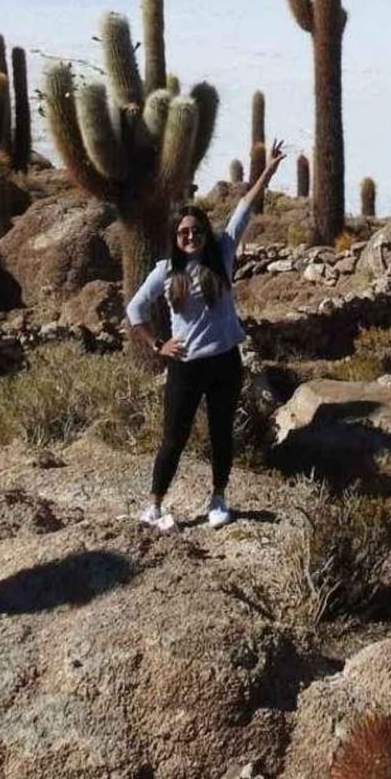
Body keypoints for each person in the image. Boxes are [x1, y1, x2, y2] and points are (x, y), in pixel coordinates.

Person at [126, 139, 286, 529]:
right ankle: (155, 505)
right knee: (173, 440)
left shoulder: (222, 255)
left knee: (221, 434)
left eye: (197, 230)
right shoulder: (164, 271)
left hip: (224, 364)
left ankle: (218, 499)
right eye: (184, 232)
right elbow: (134, 310)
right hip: (186, 367)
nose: (191, 236)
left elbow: (242, 211)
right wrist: (157, 344)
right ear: (176, 236)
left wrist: (268, 171)